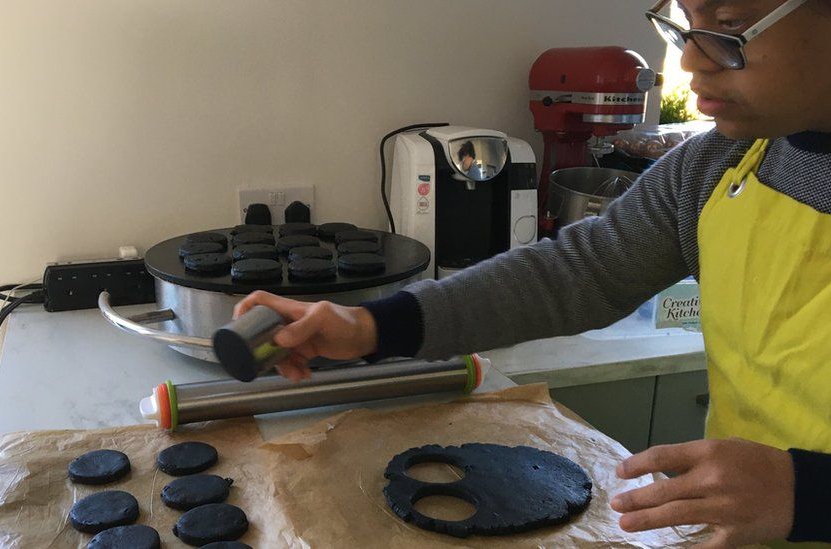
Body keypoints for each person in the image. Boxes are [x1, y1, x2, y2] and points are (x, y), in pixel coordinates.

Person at [235, 0, 831, 546]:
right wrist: (368, 327)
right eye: (684, 23)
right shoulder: (724, 163)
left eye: (729, 27)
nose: (692, 61)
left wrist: (807, 494)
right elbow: (578, 273)